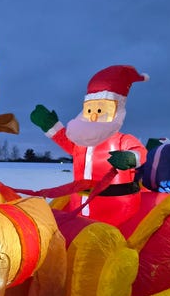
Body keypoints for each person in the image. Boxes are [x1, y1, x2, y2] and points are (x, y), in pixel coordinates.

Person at [31, 65, 149, 226]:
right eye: (89, 110)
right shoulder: (82, 142)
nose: (93, 116)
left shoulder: (122, 140)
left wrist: (130, 158)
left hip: (116, 211)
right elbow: (68, 143)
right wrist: (50, 125)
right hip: (79, 207)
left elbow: (141, 152)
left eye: (100, 110)